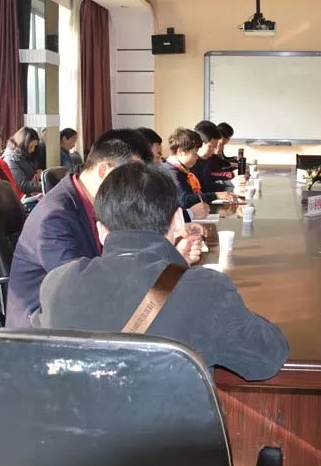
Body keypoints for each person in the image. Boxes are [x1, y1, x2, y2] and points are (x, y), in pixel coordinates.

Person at [31, 162, 289, 381]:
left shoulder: (58, 283)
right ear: (177, 220)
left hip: (76, 426)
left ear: (100, 231)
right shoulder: (205, 289)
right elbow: (267, 358)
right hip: (173, 428)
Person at [6, 129, 154, 328]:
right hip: (43, 330)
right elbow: (80, 290)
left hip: (80, 314)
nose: (133, 189)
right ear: (103, 171)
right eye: (129, 179)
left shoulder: (97, 201)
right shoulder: (54, 218)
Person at [160, 128, 231, 220]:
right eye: (194, 154)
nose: (197, 157)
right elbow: (185, 200)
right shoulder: (172, 171)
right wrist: (216, 195)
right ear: (180, 152)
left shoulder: (182, 169)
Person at [2, 127, 42, 197]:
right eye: (30, 147)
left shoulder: (26, 154)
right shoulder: (10, 159)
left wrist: (39, 173)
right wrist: (46, 184)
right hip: (22, 197)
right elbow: (23, 186)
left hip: (33, 194)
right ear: (22, 145)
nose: (33, 150)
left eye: (35, 146)